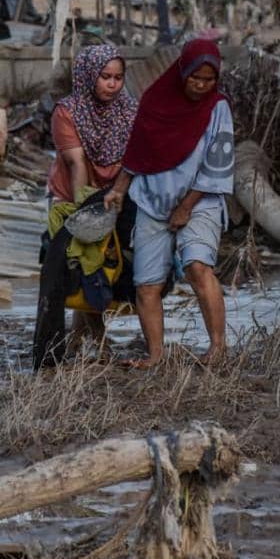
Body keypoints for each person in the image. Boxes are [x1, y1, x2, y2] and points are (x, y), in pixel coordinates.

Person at [105, 39, 234, 367]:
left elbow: (216, 167)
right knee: (146, 285)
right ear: (182, 72)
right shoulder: (154, 101)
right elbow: (138, 151)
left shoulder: (217, 108)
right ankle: (155, 356)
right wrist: (119, 188)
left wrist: (186, 207)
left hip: (199, 199)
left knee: (197, 266)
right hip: (152, 200)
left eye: (209, 79)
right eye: (195, 77)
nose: (201, 85)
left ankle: (217, 348)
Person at [46, 44, 138, 350]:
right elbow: (77, 163)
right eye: (105, 77)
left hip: (118, 192)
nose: (112, 84)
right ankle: (96, 340)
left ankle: (78, 338)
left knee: (109, 265)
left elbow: (135, 158)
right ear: (88, 76)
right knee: (84, 261)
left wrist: (118, 193)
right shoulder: (67, 111)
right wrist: (83, 211)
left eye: (118, 77)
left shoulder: (129, 110)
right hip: (74, 193)